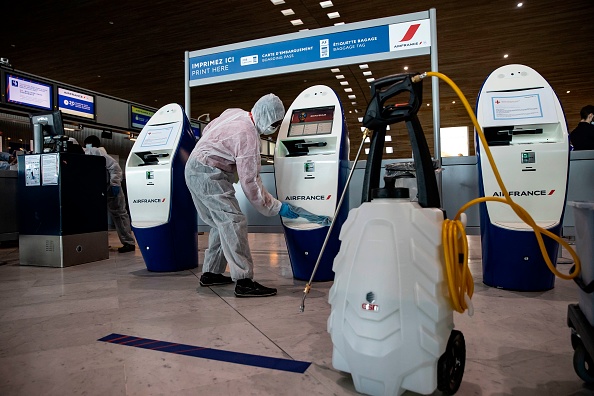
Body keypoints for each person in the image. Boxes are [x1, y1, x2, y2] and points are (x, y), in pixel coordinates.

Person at [185, 93, 301, 298]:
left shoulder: (235, 113)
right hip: (208, 173)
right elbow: (251, 183)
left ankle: (211, 272)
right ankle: (244, 281)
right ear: (267, 117)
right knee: (233, 221)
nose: (273, 129)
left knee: (220, 222)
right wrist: (275, 206)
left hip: (193, 168)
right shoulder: (249, 135)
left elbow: (209, 128)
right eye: (275, 123)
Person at [83, 135, 136, 253]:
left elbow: (115, 168)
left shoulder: (98, 152)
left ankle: (129, 242)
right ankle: (101, 243)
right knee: (103, 216)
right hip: (101, 189)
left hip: (111, 187)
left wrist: (115, 184)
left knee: (119, 215)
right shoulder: (91, 153)